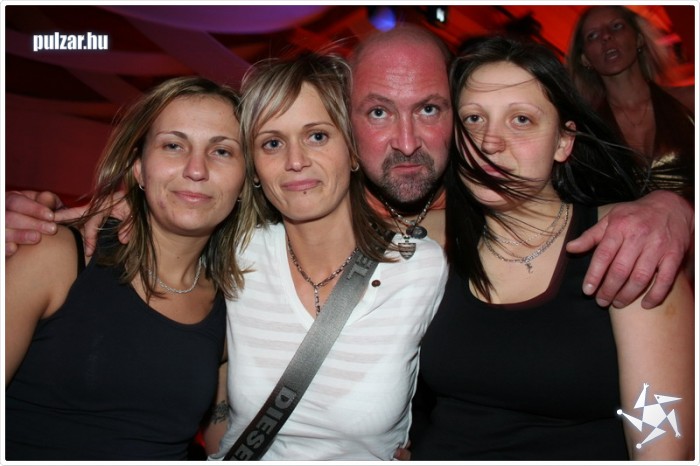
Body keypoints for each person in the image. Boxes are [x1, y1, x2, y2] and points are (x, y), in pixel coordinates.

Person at [4, 23, 694, 317]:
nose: (406, 142)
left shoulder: (480, 214)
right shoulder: (253, 236)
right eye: (378, 112)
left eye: (429, 109)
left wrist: (670, 208)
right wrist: (118, 206)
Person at [409, 36, 695, 461]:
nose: (490, 141)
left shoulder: (629, 244)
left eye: (521, 119)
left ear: (564, 141)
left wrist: (675, 205)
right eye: (473, 118)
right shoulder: (426, 242)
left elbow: (661, 446)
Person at [199, 52, 446, 460]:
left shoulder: (420, 268)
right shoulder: (235, 254)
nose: (295, 161)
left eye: (317, 136)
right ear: (254, 169)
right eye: (272, 143)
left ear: (353, 150)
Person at [5, 77, 256, 459]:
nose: (196, 169)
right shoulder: (56, 256)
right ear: (139, 168)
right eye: (173, 146)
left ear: (244, 181)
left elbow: (222, 442)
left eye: (222, 151)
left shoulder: (230, 305)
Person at [568, 5, 694, 204]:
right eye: (592, 36)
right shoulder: (584, 131)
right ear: (584, 58)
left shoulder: (690, 101)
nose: (606, 36)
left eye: (616, 26)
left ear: (639, 39)